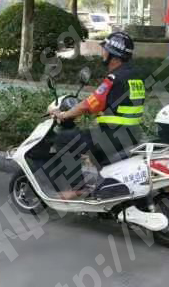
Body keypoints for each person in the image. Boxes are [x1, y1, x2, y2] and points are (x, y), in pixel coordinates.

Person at [49, 32, 146, 199]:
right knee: (92, 146)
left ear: (114, 55)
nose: (103, 53)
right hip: (132, 133)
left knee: (64, 139)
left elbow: (89, 104)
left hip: (112, 135)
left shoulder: (114, 78)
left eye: (105, 50)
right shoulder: (136, 77)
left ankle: (76, 188)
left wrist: (65, 115)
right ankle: (105, 184)